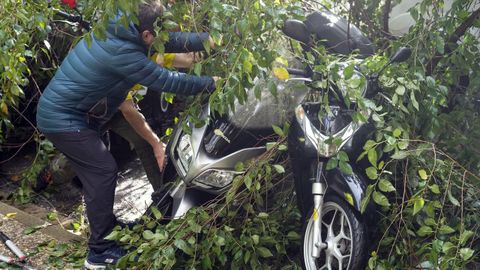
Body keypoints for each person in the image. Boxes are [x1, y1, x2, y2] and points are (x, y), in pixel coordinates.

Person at [36, 0, 218, 268]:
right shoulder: (124, 54)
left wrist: (212, 40)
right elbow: (169, 80)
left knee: (98, 172)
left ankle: (106, 228)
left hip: (80, 112)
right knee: (103, 170)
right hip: (63, 119)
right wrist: (211, 84)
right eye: (154, 36)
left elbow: (169, 39)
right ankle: (98, 252)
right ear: (146, 36)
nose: (159, 39)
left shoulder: (122, 24)